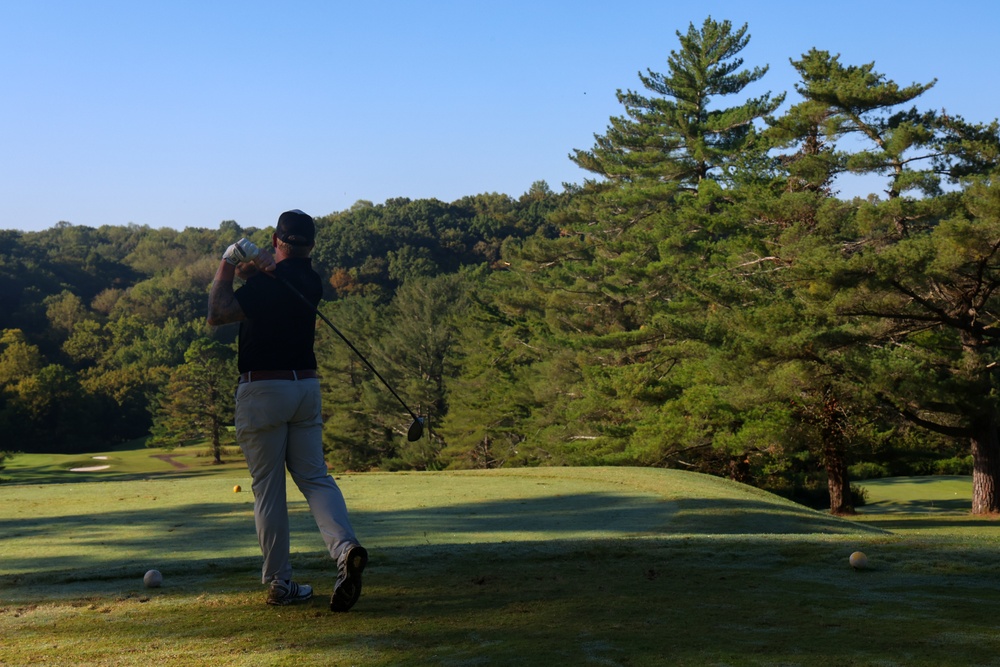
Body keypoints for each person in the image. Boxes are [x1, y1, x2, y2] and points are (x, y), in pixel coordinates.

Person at [207, 209, 368, 611]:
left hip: (263, 390)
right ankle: (345, 549)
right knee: (315, 478)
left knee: (269, 491)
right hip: (305, 388)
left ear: (277, 240)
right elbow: (261, 279)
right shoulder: (309, 280)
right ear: (310, 246)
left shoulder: (269, 284)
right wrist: (255, 266)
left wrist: (228, 261)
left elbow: (217, 313)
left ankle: (280, 583)